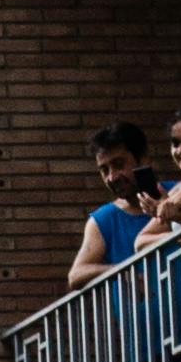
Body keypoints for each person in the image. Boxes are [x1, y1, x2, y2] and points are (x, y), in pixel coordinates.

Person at [64, 121, 161, 286]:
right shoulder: (104, 220)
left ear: (143, 159)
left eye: (119, 165)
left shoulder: (177, 192)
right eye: (104, 170)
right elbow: (76, 275)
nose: (112, 177)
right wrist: (122, 271)